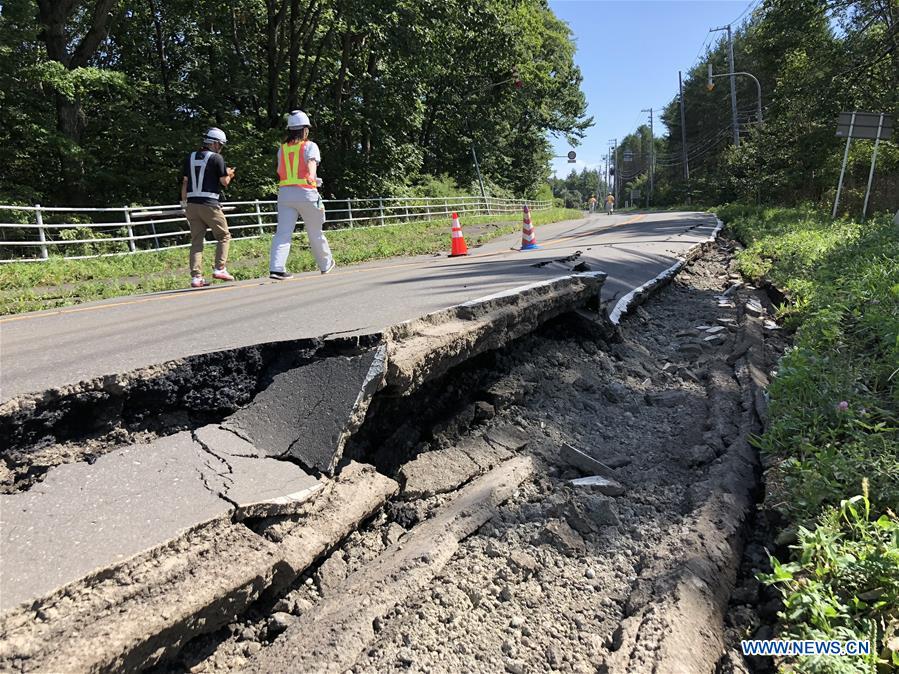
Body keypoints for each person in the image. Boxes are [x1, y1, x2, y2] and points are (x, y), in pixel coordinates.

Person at [269, 110, 334, 279]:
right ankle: (326, 264)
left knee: (283, 233)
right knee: (315, 231)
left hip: (285, 194)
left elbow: (279, 170)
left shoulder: (282, 148)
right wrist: (313, 178)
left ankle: (276, 268)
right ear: (305, 130)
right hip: (306, 193)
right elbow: (311, 165)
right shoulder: (310, 146)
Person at [181, 127, 236, 288]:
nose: (221, 148)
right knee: (223, 235)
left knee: (196, 241)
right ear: (214, 143)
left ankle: (196, 277)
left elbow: (185, 182)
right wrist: (230, 174)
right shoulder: (217, 158)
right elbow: (224, 182)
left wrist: (184, 204)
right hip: (209, 204)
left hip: (191, 204)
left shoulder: (190, 157)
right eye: (221, 144)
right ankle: (220, 268)